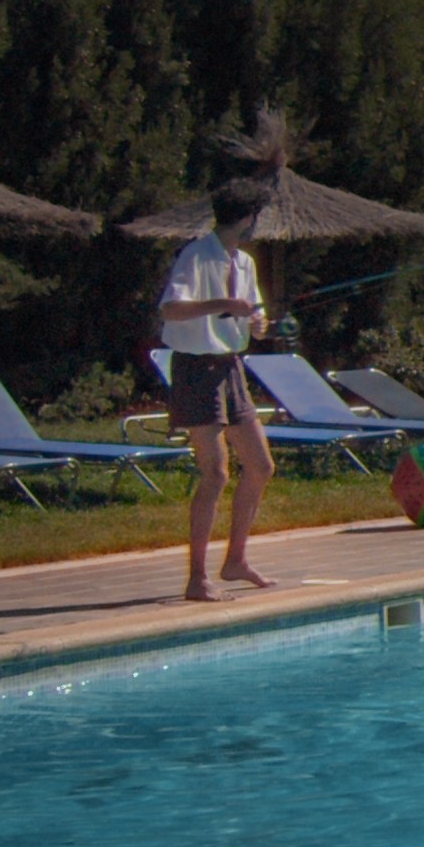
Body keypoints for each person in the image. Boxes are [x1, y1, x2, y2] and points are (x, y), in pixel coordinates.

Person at [158, 176, 278, 601]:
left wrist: (256, 323)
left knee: (260, 465)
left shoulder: (243, 263)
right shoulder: (196, 255)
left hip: (231, 367)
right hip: (196, 369)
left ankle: (236, 561)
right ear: (246, 218)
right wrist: (224, 305)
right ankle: (197, 578)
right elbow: (171, 309)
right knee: (215, 473)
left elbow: (252, 317)